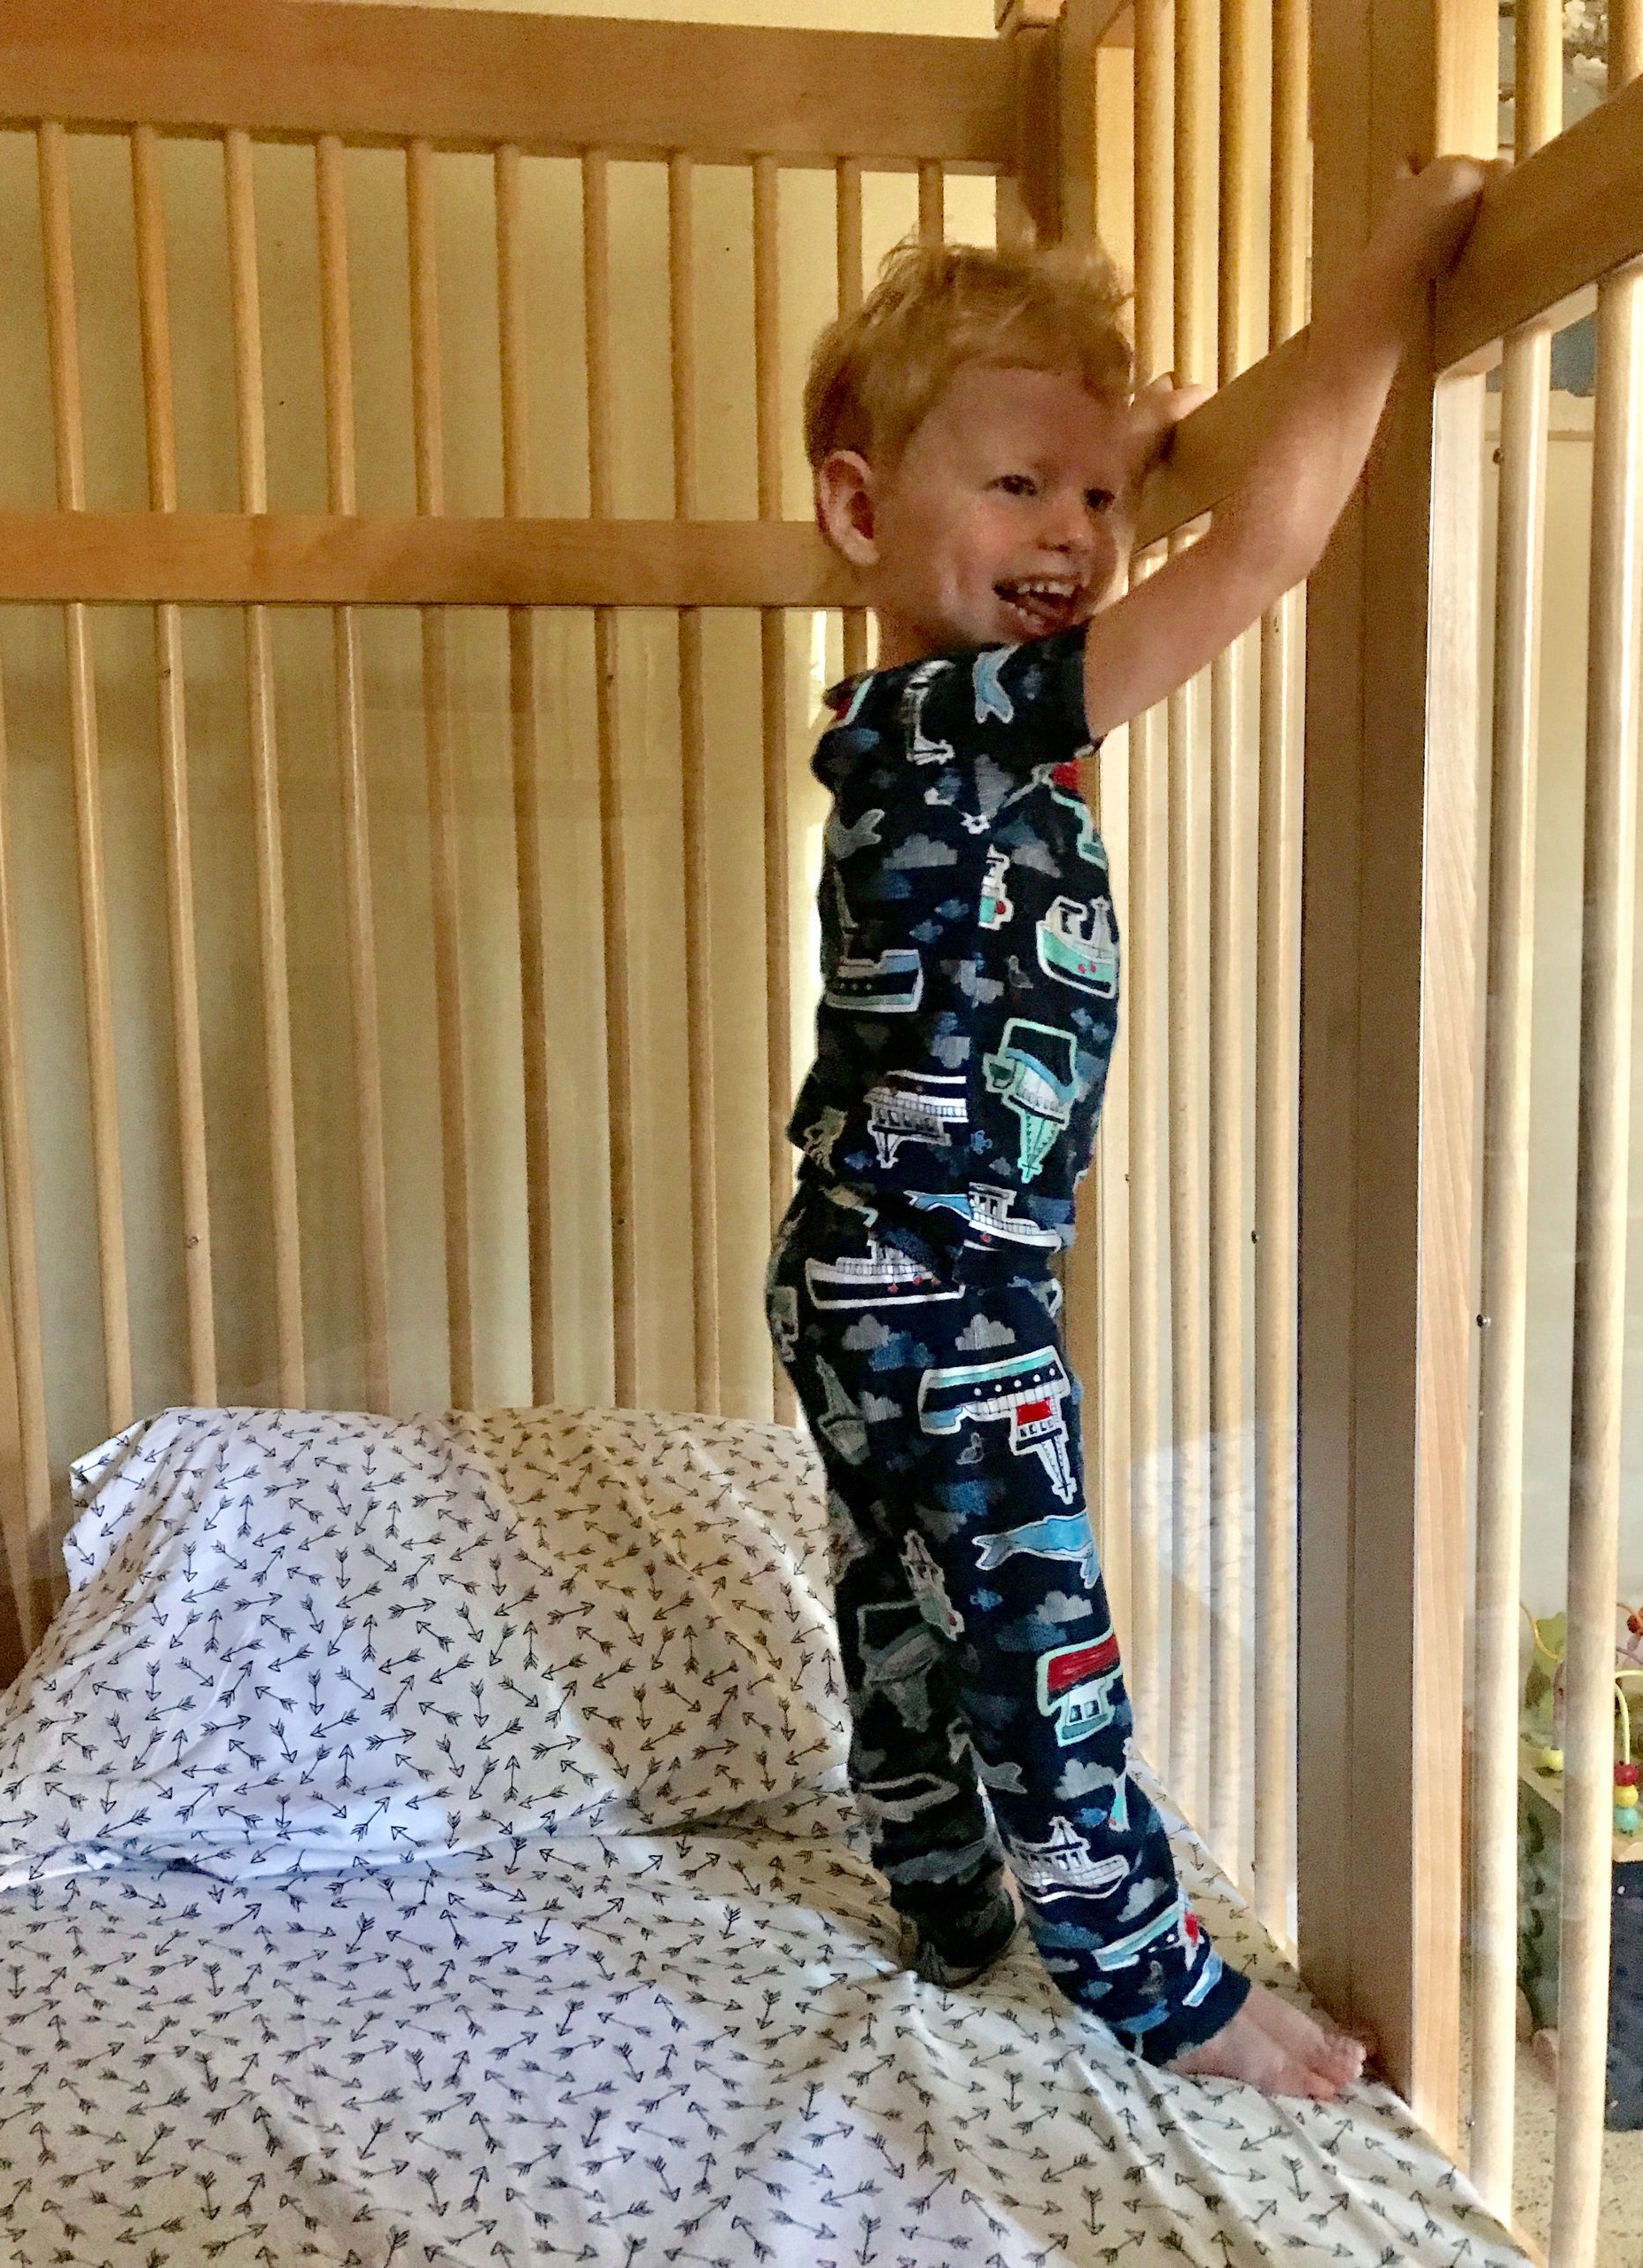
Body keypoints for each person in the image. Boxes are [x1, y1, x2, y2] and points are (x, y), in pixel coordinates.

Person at [764, 154, 1496, 2096]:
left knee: (905, 1604)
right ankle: (1152, 1977)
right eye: (1017, 486)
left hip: (869, 1267)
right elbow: (1259, 559)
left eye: (1098, 498)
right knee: (1035, 1618)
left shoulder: (936, 721)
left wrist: (1112, 448)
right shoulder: (961, 716)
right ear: (860, 508)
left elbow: (1127, 534)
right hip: (935, 1288)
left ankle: (945, 1892)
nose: (1077, 534)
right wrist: (1383, 286)